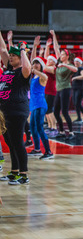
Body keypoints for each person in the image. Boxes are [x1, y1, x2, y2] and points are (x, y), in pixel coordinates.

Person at [0, 32, 32, 185]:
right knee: (10, 143)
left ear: (20, 57)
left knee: (18, 142)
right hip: (5, 112)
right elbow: (2, 50)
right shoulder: (8, 70)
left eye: (14, 56)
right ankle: (14, 172)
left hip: (17, 111)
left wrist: (23, 50)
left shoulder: (22, 71)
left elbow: (27, 66)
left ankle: (24, 175)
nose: (11, 58)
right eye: (10, 56)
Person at [50, 30, 78, 139]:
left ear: (67, 56)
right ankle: (61, 131)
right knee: (56, 111)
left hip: (66, 89)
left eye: (62, 54)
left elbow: (75, 69)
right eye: (60, 54)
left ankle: (71, 132)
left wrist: (65, 66)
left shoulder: (69, 64)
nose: (60, 55)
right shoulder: (59, 61)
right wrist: (54, 36)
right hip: (59, 89)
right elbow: (56, 48)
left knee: (65, 112)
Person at [28, 56, 54, 160]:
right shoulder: (34, 76)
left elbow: (45, 76)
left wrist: (33, 70)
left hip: (40, 105)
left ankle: (48, 151)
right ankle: (37, 149)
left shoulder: (42, 76)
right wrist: (34, 47)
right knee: (32, 128)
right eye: (34, 63)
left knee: (39, 128)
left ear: (41, 65)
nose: (35, 65)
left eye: (37, 63)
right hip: (33, 105)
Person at [43, 39, 58, 138]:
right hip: (46, 91)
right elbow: (45, 58)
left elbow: (43, 64)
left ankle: (54, 127)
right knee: (46, 111)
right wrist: (47, 46)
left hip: (51, 91)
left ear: (53, 62)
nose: (48, 60)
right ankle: (49, 126)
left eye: (50, 60)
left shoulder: (53, 68)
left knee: (49, 111)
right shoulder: (48, 66)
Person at [72, 56, 83, 124]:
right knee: (76, 103)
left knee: (77, 103)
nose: (76, 62)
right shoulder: (74, 69)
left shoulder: (81, 68)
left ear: (80, 63)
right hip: (75, 89)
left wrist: (75, 78)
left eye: (77, 61)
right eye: (75, 61)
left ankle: (82, 117)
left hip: (80, 89)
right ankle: (82, 117)